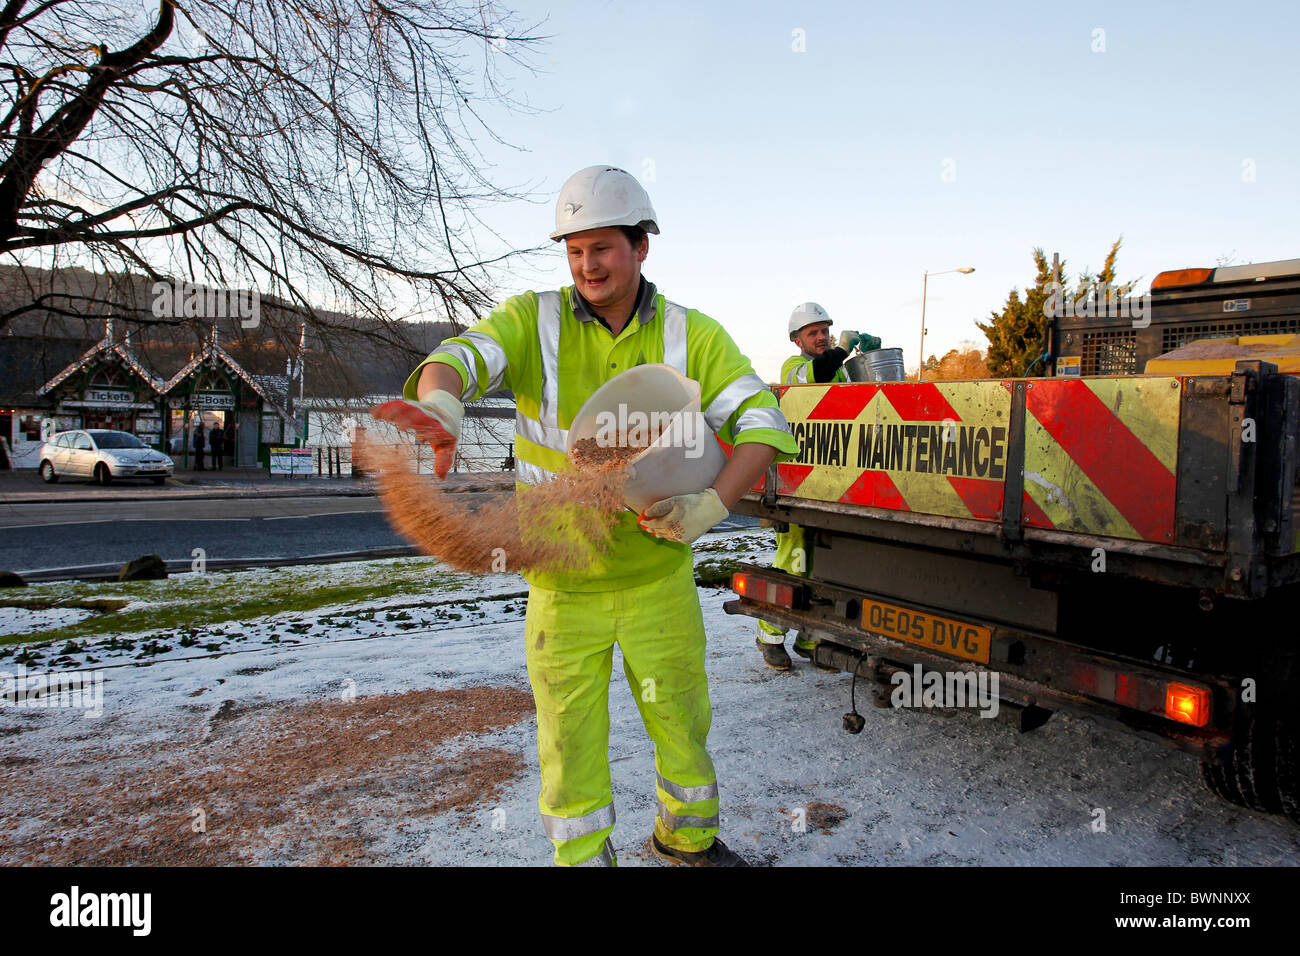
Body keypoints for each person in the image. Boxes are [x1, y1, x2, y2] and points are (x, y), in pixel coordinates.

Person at [374, 165, 798, 867]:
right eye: (574, 250)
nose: (586, 264)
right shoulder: (532, 319)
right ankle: (582, 856)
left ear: (641, 246)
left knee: (681, 720)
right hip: (561, 582)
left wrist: (716, 501)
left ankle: (686, 838)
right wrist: (444, 403)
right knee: (567, 736)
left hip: (655, 575)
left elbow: (761, 419)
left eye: (602, 247)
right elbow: (460, 356)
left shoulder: (693, 334)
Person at [755, 304, 879, 671]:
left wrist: (868, 354)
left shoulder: (838, 370)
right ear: (797, 341)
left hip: (831, 484)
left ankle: (812, 639)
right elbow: (817, 374)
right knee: (796, 564)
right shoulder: (793, 369)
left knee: (827, 567)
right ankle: (769, 637)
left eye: (825, 330)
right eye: (814, 333)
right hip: (796, 485)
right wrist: (842, 348)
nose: (822, 337)